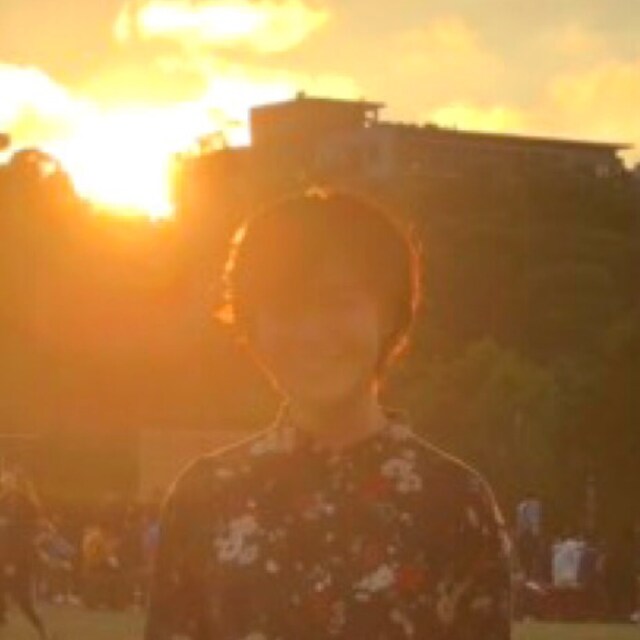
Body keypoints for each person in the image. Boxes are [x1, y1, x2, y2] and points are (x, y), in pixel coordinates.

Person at [145, 190, 512, 639]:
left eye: (337, 302)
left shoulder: (454, 502)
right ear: (252, 326)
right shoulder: (204, 497)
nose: (312, 332)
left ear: (389, 316)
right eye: (286, 308)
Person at [0, 471, 51, 639]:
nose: (6, 483)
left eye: (10, 481)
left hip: (19, 558)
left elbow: (26, 531)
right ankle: (2, 614)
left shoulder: (26, 503)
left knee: (24, 602)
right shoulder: (5, 500)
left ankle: (43, 631)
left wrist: (12, 562)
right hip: (6, 554)